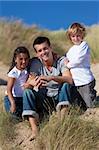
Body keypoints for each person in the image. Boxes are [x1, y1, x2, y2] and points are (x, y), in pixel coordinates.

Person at [22, 36, 73, 140]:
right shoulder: (35, 63)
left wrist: (51, 78)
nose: (43, 52)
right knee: (27, 92)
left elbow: (69, 79)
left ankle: (62, 124)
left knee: (66, 85)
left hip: (59, 96)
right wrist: (33, 82)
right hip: (43, 98)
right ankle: (35, 130)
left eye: (45, 48)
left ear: (50, 48)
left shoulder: (61, 61)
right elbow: (27, 85)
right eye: (40, 50)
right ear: (37, 53)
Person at [65, 22, 96, 108]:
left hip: (85, 79)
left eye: (78, 36)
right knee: (81, 104)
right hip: (77, 81)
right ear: (70, 37)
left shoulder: (84, 45)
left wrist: (68, 65)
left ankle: (94, 100)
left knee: (90, 104)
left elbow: (78, 60)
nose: (76, 38)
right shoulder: (71, 50)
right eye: (73, 36)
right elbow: (66, 59)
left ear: (82, 35)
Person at [4, 46, 30, 119]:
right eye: (21, 59)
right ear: (15, 59)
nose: (24, 61)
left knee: (26, 114)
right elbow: (9, 90)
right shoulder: (13, 73)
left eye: (26, 59)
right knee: (14, 117)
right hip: (12, 98)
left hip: (22, 98)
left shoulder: (27, 70)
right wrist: (12, 103)